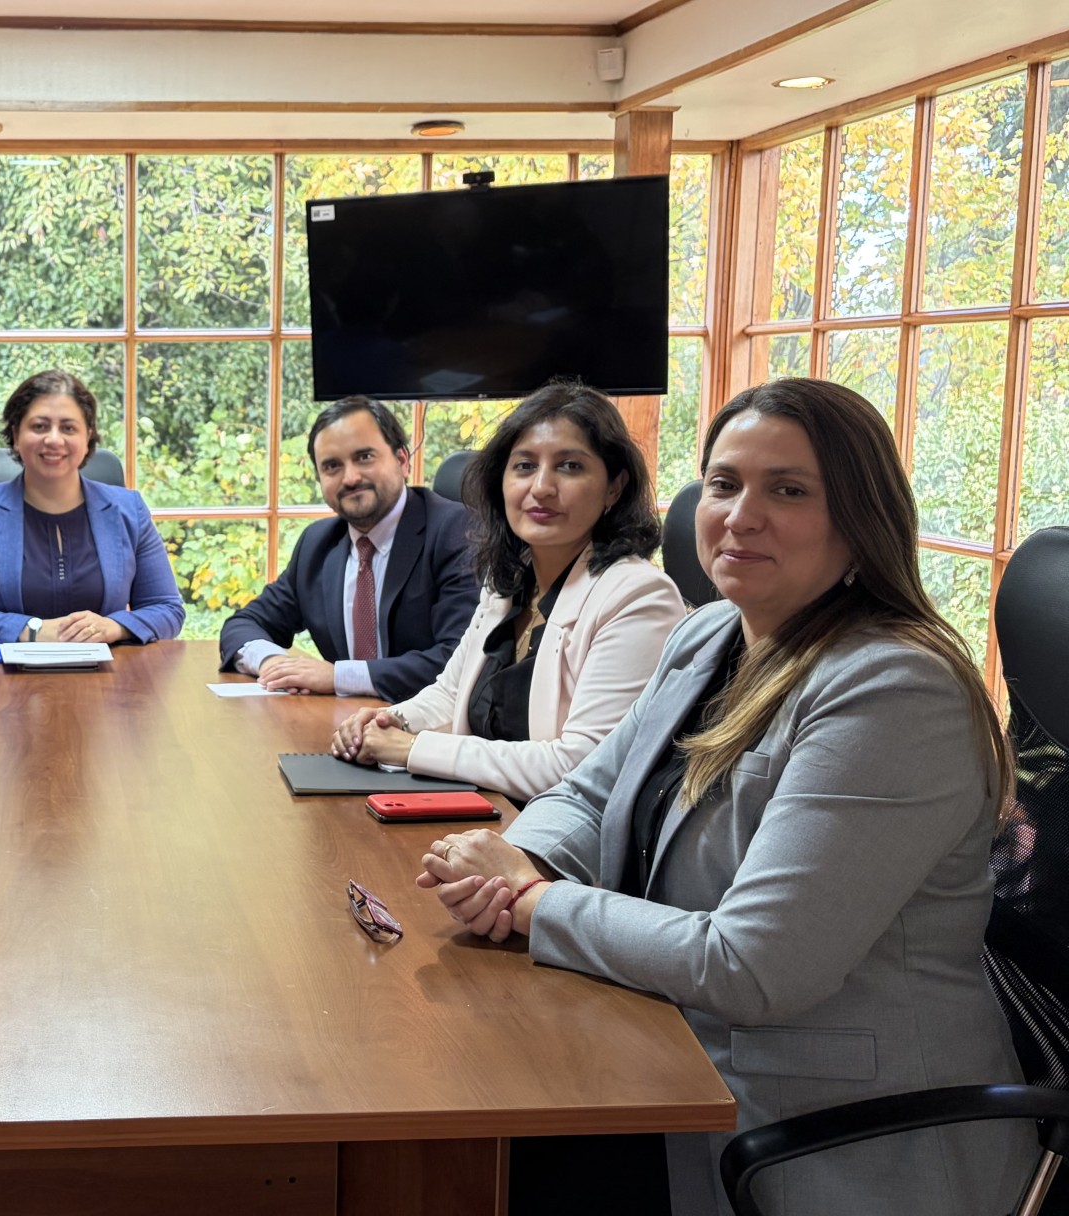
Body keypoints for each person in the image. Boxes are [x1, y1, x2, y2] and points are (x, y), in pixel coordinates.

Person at [418, 378, 1030, 1216]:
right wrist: (522, 855)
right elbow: (589, 792)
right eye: (723, 484)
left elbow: (750, 967)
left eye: (788, 490)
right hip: (675, 1049)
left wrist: (529, 900)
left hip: (821, 1124)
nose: (742, 515)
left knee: (467, 1163)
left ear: (860, 518)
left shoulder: (892, 689)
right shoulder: (711, 633)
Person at [329, 381, 684, 803]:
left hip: (555, 847)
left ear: (614, 487)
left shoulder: (639, 596)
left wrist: (413, 749)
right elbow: (450, 693)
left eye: (570, 466)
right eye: (524, 466)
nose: (541, 487)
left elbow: (584, 765)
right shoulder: (510, 581)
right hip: (478, 813)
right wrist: (389, 721)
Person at [219, 396, 478, 700]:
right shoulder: (317, 544)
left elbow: (461, 660)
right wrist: (274, 663)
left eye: (365, 457)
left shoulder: (457, 531)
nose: (351, 478)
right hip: (343, 728)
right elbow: (244, 624)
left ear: (402, 461)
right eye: (332, 466)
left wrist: (339, 676)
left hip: (432, 732)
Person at [0, 369, 184, 646]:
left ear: (88, 438)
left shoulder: (128, 510)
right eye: (39, 426)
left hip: (106, 680)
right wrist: (31, 629)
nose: (54, 439)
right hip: (2, 681)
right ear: (16, 434)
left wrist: (115, 627)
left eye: (68, 428)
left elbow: (167, 608)